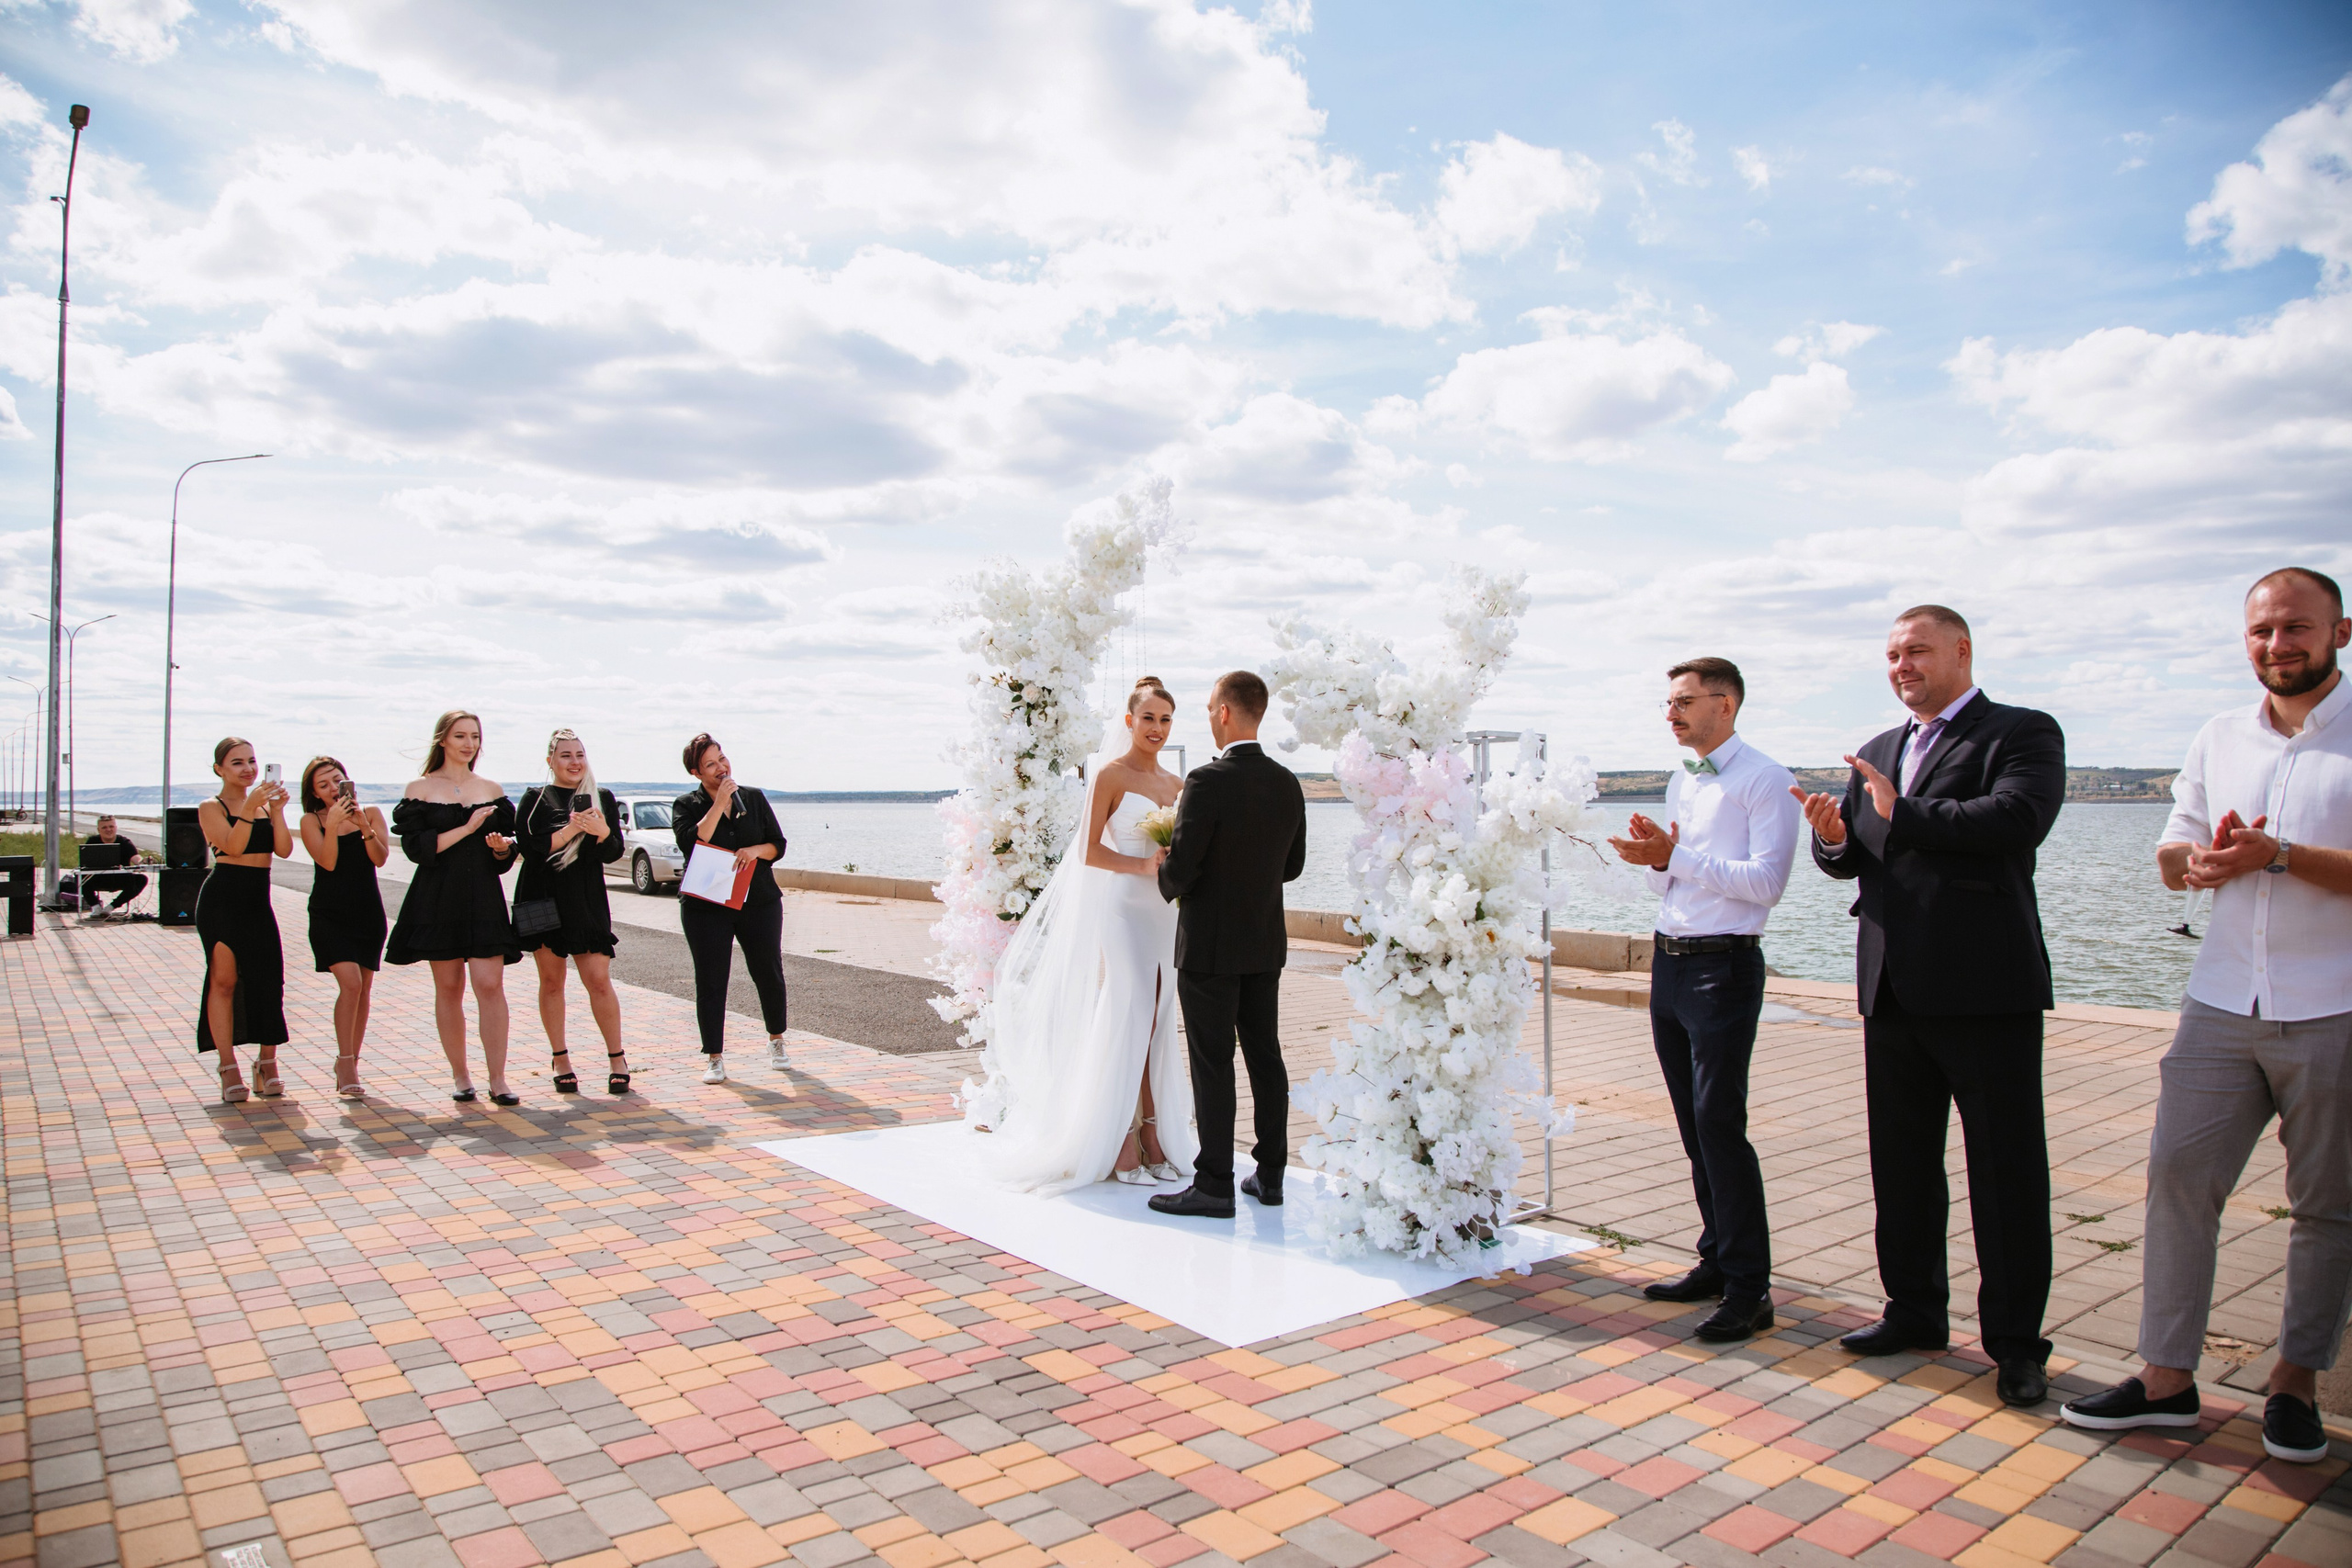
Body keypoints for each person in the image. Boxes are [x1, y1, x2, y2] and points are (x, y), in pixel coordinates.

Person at [2060, 568, 2352, 1464]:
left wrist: (2278, 857)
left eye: (2296, 628)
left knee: (2326, 1208)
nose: (2277, 645)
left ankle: (2294, 1382)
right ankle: (2165, 1380)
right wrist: (2198, 863)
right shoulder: (2217, 734)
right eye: (2261, 630)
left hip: (2336, 1004)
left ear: (2340, 632)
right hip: (2219, 1001)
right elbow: (2169, 852)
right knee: (2178, 1180)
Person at [1792, 604, 2065, 1408]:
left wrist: (1894, 813)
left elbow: (2016, 819)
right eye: (1890, 654)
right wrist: (1834, 836)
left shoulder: (2020, 732)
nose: (1901, 664)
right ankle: (1913, 1312)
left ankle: (2016, 1344)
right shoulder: (1878, 750)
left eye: (1916, 650)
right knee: (1902, 1168)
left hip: (1986, 991)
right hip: (1891, 988)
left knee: (2006, 1177)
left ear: (1960, 650)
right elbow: (1853, 859)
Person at [1610, 657, 1799, 1343]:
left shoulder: (1766, 778)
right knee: (1693, 1125)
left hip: (1725, 967)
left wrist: (1676, 857)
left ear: (1726, 704)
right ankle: (1716, 1260)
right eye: (1668, 702)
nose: (1671, 712)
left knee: (1721, 1125)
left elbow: (1766, 883)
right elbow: (1680, 876)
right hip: (1671, 960)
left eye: (1684, 701)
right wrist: (1655, 859)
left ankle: (1752, 1288)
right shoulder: (1679, 779)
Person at [976, 678, 1199, 1193]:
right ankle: (1121, 1138)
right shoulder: (1110, 775)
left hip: (1166, 913)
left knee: (1159, 1022)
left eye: (1166, 720)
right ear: (1129, 721)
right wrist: (1143, 865)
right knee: (1128, 1016)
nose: (1157, 729)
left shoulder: (1175, 784)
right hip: (1123, 909)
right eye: (1148, 718)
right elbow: (1089, 853)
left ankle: (1156, 1135)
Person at [1149, 671, 1307, 1220]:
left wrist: (1164, 871)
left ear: (1223, 712)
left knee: (1213, 1063)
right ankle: (1270, 1176)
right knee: (1266, 1058)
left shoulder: (1206, 781)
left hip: (1211, 949)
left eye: (1208, 707)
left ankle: (1215, 1182)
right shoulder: (1288, 782)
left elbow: (1185, 869)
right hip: (1265, 945)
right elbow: (1293, 866)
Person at [385, 711, 521, 1105]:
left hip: (483, 897)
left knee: (490, 986)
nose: (468, 743)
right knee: (448, 988)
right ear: (442, 740)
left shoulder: (491, 789)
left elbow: (503, 857)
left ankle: (498, 1079)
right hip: (437, 899)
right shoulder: (420, 789)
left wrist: (501, 849)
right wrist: (467, 828)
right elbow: (417, 851)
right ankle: (462, 1077)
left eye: (475, 736)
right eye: (460, 736)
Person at [515, 729, 632, 1095]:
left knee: (598, 980)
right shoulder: (535, 799)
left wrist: (600, 831)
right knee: (551, 982)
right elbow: (532, 849)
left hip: (586, 898)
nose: (574, 762)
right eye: (565, 755)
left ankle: (617, 1058)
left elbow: (612, 852)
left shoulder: (602, 797)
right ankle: (561, 1058)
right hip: (541, 896)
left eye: (580, 754)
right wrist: (572, 829)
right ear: (551, 760)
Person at [674, 734, 788, 1083]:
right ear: (696, 772)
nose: (722, 767)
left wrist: (755, 851)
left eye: (722, 758)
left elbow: (778, 845)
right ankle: (714, 1056)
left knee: (767, 970)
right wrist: (718, 803)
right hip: (707, 905)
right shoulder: (686, 804)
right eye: (711, 764)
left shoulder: (752, 798)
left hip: (758, 900)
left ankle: (777, 1040)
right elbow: (692, 843)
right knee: (711, 979)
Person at [195, 739, 292, 1102]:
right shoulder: (211, 806)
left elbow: (282, 849)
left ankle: (267, 1064)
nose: (248, 769)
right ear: (220, 769)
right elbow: (232, 847)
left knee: (269, 980)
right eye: (237, 763)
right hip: (223, 900)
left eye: (251, 761)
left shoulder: (264, 807)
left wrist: (278, 811)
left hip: (258, 900)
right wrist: (250, 808)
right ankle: (228, 1066)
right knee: (224, 981)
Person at [298, 757, 389, 1100]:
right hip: (329, 913)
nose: (333, 789)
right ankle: (345, 1061)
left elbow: (379, 858)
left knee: (363, 989)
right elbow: (328, 862)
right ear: (315, 794)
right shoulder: (311, 820)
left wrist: (363, 824)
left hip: (367, 912)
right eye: (324, 785)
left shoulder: (373, 814)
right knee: (349, 984)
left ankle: (351, 1060)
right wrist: (333, 824)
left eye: (337, 780)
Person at [74, 815, 149, 919]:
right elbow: (85, 862)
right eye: (104, 827)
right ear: (98, 830)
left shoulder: (124, 842)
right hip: (98, 879)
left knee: (142, 879)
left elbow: (136, 858)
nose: (108, 830)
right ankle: (96, 907)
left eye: (111, 826)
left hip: (119, 879)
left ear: (116, 828)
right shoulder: (92, 841)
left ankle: (111, 907)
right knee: (78, 878)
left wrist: (143, 861)